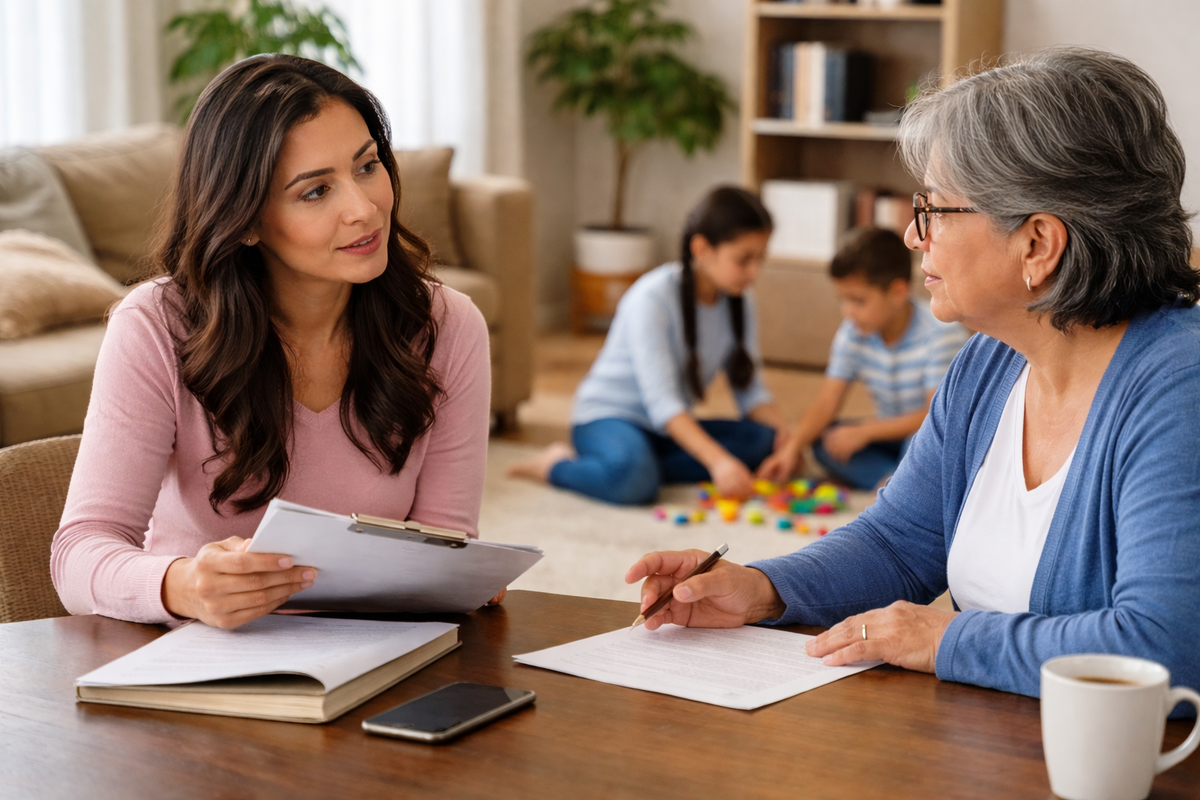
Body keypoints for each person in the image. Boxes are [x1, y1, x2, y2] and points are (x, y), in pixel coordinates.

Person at [625, 47, 1200, 706]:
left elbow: (1167, 647)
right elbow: (897, 542)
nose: (910, 237)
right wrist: (761, 587)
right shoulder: (990, 361)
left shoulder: (1181, 387)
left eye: (932, 210)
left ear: (1037, 244)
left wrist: (945, 639)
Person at [51, 55, 496, 629]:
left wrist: (461, 576)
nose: (363, 209)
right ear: (245, 220)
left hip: (375, 656)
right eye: (315, 192)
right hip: (198, 666)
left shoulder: (447, 325)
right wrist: (179, 584)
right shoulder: (156, 326)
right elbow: (81, 552)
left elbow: (445, 545)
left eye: (367, 167)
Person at [508, 186, 786, 504]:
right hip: (608, 418)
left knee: (763, 442)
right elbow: (664, 404)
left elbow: (751, 393)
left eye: (761, 259)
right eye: (744, 260)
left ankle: (636, 464)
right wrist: (718, 461)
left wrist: (786, 442)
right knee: (635, 482)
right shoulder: (652, 297)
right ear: (702, 248)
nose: (755, 272)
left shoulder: (740, 299)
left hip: (663, 431)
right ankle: (555, 465)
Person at [757, 227, 968, 489]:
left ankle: (900, 486)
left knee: (920, 443)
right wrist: (790, 449)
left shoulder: (940, 333)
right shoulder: (853, 333)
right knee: (827, 438)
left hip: (929, 433)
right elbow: (826, 403)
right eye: (842, 300)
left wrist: (865, 431)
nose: (848, 312)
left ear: (897, 293)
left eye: (858, 301)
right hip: (887, 434)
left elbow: (933, 416)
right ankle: (894, 483)